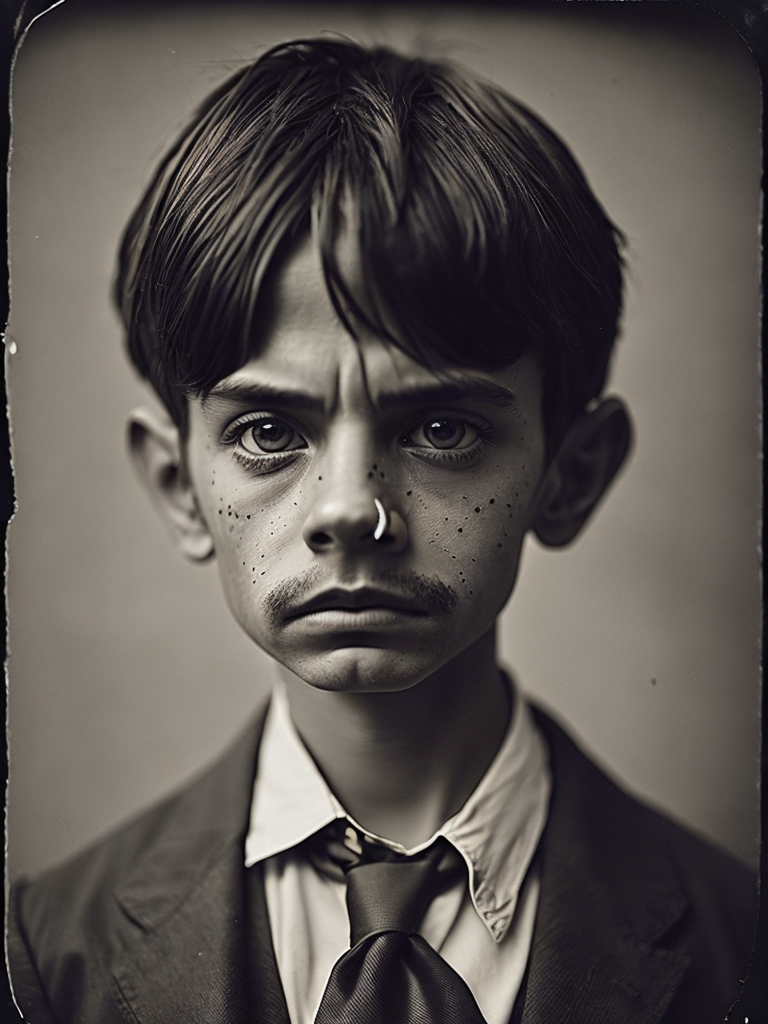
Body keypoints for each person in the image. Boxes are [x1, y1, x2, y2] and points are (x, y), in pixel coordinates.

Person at [7, 37, 756, 1024]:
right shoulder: (44, 954)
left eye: (443, 429)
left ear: (571, 473)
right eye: (270, 431)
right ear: (179, 483)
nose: (350, 509)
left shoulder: (742, 943)